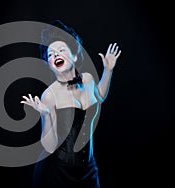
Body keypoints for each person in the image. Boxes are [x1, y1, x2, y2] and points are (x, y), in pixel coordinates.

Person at [20, 20, 121, 188]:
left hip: (88, 169)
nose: (55, 55)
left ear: (74, 56)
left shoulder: (88, 80)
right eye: (50, 55)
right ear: (49, 65)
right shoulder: (49, 96)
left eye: (61, 50)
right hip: (56, 172)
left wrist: (108, 70)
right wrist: (45, 115)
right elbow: (50, 147)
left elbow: (99, 96)